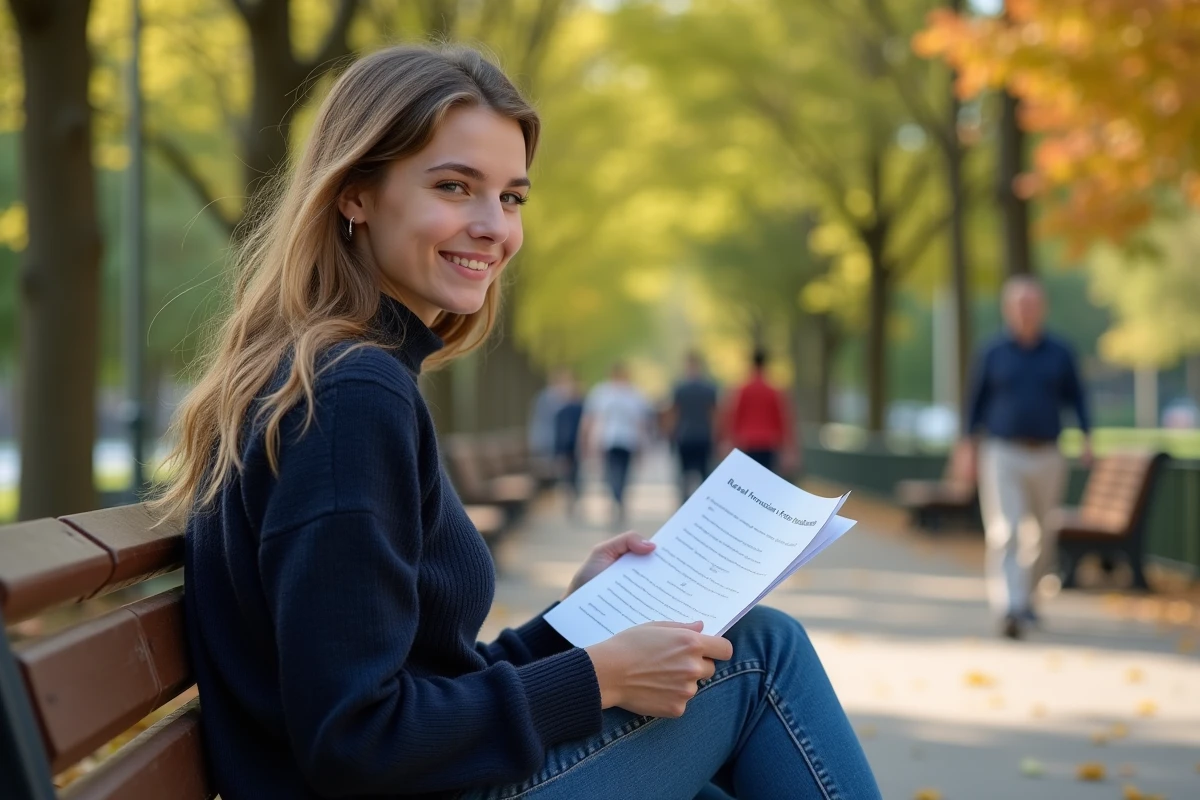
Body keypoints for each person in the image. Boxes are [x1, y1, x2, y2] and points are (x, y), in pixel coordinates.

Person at [152, 45, 880, 800]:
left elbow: (422, 682)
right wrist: (601, 675)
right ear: (355, 194)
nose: (492, 226)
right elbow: (357, 736)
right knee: (760, 653)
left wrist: (578, 623)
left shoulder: (331, 374)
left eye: (511, 198)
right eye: (454, 186)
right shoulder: (350, 395)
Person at [962, 275, 1092, 640]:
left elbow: (1077, 396)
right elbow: (974, 403)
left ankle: (1029, 601)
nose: (1026, 311)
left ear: (1042, 308)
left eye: (1032, 304)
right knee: (1007, 531)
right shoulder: (992, 352)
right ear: (1008, 309)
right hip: (1002, 452)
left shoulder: (1060, 352)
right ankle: (1010, 607)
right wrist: (966, 449)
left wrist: (1086, 436)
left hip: (1048, 453)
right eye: (1020, 304)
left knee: (1042, 533)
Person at [581, 362, 653, 528]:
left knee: (622, 472)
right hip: (607, 439)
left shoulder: (633, 394)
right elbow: (590, 418)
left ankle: (618, 498)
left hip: (627, 440)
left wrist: (642, 445)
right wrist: (586, 440)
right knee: (612, 472)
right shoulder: (602, 393)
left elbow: (640, 422)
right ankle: (616, 498)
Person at [721, 348, 800, 478]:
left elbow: (734, 416)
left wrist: (729, 440)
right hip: (769, 444)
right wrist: (790, 449)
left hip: (747, 443)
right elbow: (784, 420)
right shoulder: (774, 390)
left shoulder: (743, 389)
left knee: (749, 480)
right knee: (767, 480)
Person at [668, 351, 719, 502]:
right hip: (704, 436)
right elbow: (714, 415)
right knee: (704, 473)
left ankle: (684, 503)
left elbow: (674, 414)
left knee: (684, 474)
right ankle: (703, 504)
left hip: (684, 436)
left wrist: (671, 434)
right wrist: (716, 435)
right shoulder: (709, 388)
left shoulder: (680, 388)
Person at [552, 370, 585, 515]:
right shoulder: (572, 409)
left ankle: (572, 494)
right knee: (571, 473)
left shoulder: (569, 410)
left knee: (572, 473)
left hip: (570, 446)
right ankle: (572, 495)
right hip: (570, 446)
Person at [529, 368, 571, 478]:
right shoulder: (551, 398)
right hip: (546, 440)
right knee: (547, 469)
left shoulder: (543, 397)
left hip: (545, 439)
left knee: (550, 469)